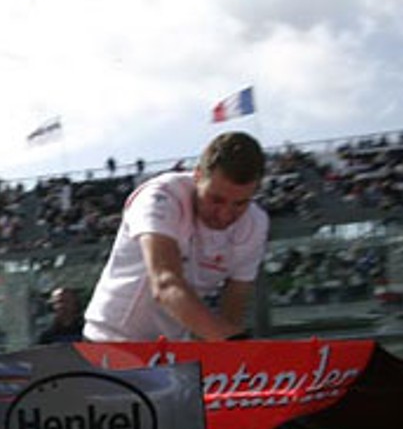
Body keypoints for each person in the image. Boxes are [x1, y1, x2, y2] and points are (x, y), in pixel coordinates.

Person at [83, 130, 269, 342]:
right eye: (216, 200)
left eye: (240, 203)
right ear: (197, 176)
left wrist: (230, 359)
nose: (225, 214)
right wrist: (235, 345)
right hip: (109, 340)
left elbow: (235, 300)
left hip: (172, 347)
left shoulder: (255, 223)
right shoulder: (159, 197)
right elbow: (165, 284)